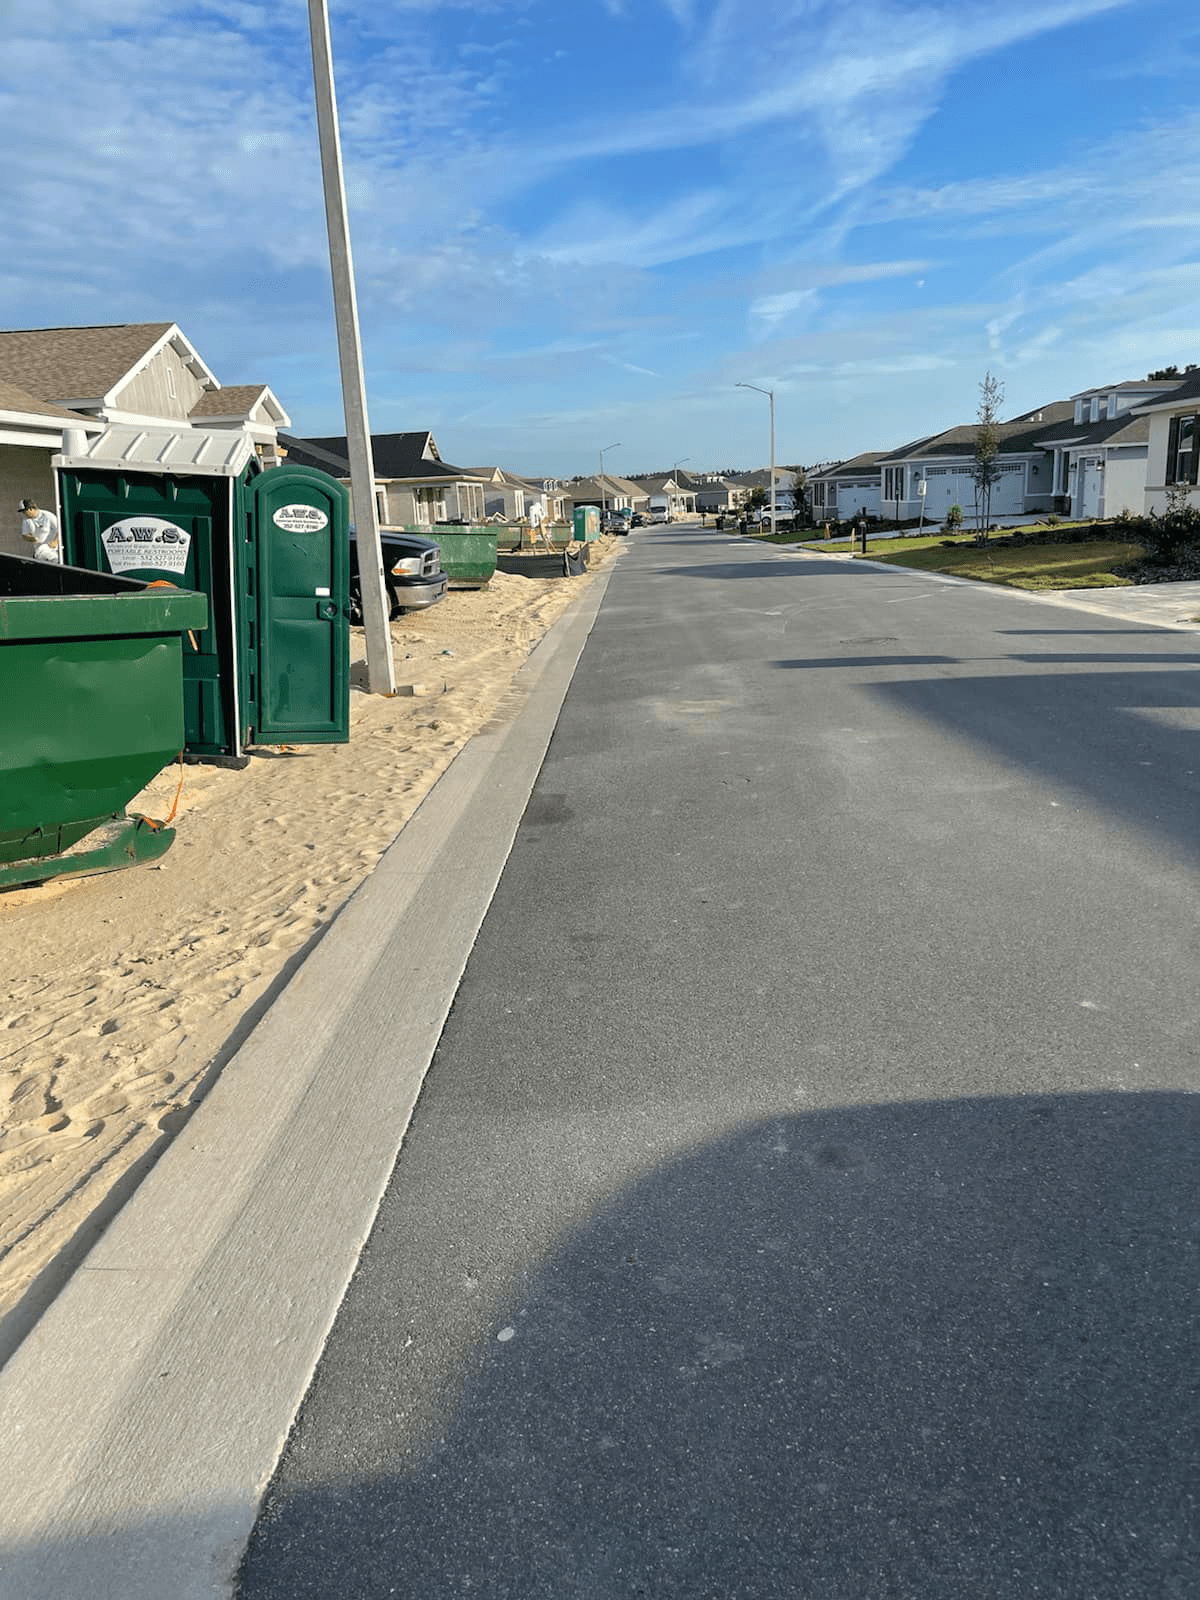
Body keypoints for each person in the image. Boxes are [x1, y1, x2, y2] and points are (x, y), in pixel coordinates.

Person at [19, 498, 61, 563]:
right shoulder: (26, 521)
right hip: (40, 550)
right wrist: (31, 538)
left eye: (25, 511)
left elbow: (60, 529)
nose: (24, 514)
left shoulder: (48, 516)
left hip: (55, 549)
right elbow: (25, 535)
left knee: (54, 559)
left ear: (31, 509)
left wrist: (55, 541)